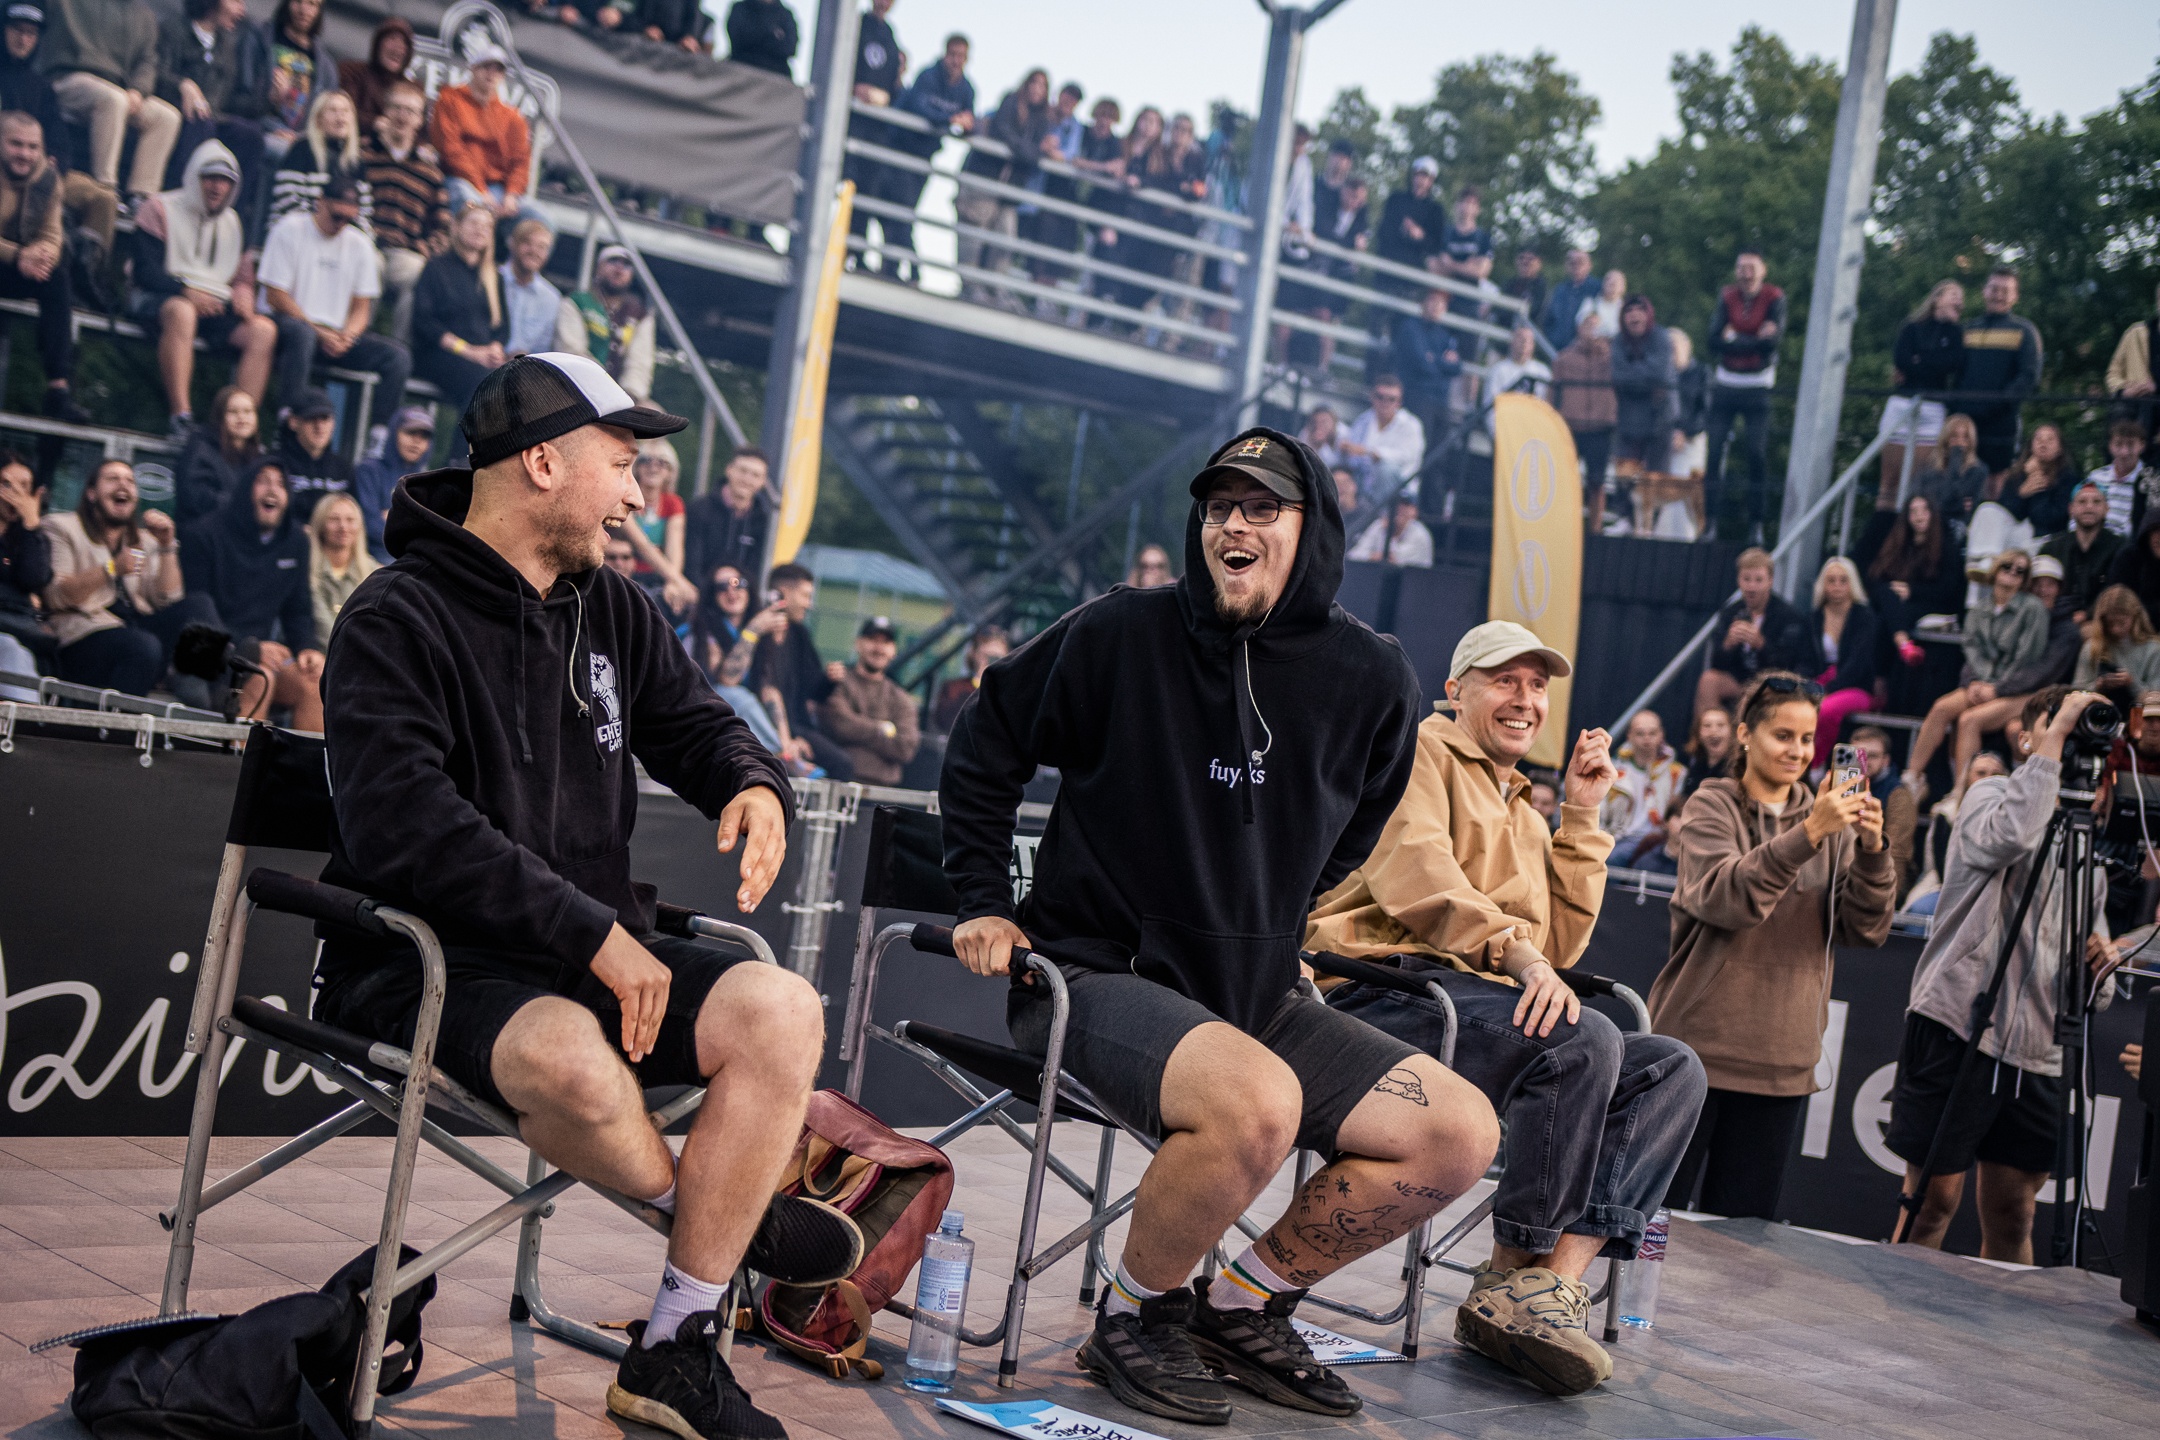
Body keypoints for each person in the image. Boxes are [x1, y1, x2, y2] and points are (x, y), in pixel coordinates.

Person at [312, 351, 841, 1440]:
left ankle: (675, 1348)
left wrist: (756, 785)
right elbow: (405, 826)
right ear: (543, 461)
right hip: (424, 959)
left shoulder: (616, 609)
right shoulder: (392, 615)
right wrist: (588, 929)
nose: (640, 497)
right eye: (624, 463)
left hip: (585, 955)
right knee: (569, 1057)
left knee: (781, 1008)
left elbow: (703, 726)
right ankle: (726, 1221)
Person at [943, 426, 1484, 1427]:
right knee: (1258, 1104)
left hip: (1254, 994)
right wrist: (982, 898)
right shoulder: (1122, 632)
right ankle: (1136, 1315)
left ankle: (1238, 1306)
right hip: (1095, 974)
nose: (1233, 525)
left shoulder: (1373, 675)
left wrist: (1269, 925)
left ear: (1311, 530)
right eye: (1218, 507)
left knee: (1456, 1132)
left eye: (1261, 507)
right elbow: (986, 741)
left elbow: (1357, 827)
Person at [1308, 621, 1703, 1397]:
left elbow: (1555, 944)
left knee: (1670, 1068)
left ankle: (1543, 1288)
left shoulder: (1523, 806)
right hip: (1376, 989)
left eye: (1538, 686)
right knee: (1580, 1038)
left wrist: (1581, 817)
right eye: (1505, 680)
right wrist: (1521, 959)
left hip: (1470, 1004)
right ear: (1455, 692)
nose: (1525, 699)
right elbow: (1422, 882)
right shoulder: (1416, 753)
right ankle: (1509, 1276)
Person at [1888, 685, 2120, 1263]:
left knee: (2015, 1212)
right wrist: (2055, 739)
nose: (2070, 739)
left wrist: (2101, 970)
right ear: (2025, 739)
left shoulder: (2084, 840)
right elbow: (2010, 837)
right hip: (1959, 1028)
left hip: (2037, 1051)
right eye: (2058, 727)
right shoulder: (1988, 794)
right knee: (1932, 1203)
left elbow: (2096, 979)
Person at [1656, 671, 1893, 1218]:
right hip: (1695, 1054)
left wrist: (1873, 850)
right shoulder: (1710, 805)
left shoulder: (1829, 818)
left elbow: (1865, 928)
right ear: (1745, 735)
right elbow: (1728, 899)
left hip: (1783, 1065)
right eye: (1782, 735)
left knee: (1740, 1248)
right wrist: (1808, 834)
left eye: (1807, 738)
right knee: (1652, 1229)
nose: (1798, 751)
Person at [132, 139, 271, 435]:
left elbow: (243, 277)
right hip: (160, 297)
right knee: (182, 312)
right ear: (195, 176)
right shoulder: (159, 208)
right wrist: (186, 291)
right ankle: (181, 416)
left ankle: (242, 427)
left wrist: (244, 294)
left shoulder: (235, 221)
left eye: (225, 180)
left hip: (215, 304)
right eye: (210, 178)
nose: (217, 187)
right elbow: (145, 271)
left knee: (263, 331)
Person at [259, 174, 412, 433]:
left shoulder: (359, 243)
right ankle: (287, 425)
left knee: (397, 357)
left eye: (348, 219)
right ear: (320, 202)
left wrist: (348, 336)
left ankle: (379, 437)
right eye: (336, 216)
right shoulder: (290, 228)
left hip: (335, 335)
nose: (341, 224)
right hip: (289, 326)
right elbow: (276, 295)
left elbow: (362, 307)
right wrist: (319, 331)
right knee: (303, 335)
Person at [183, 460, 321, 725]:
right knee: (261, 679)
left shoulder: (296, 541)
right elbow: (197, 614)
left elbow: (298, 609)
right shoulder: (205, 534)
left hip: (263, 654)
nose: (272, 490)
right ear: (245, 489)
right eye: (263, 481)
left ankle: (308, 755)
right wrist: (249, 649)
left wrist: (307, 648)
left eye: (281, 484)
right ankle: (240, 753)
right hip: (215, 657)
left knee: (314, 680)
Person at [1902, 551, 2048, 796]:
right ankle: (1911, 779)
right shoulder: (1979, 609)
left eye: (2020, 570)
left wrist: (1996, 688)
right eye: (2007, 566)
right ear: (1995, 570)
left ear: (2025, 579)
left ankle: (1962, 791)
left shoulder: (2033, 609)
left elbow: (2027, 661)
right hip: (1985, 683)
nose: (2012, 573)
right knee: (1941, 707)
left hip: (2020, 690)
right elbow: (1972, 652)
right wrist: (1975, 683)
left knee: (1969, 720)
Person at [41, 458, 179, 694]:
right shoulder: (61, 527)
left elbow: (168, 599)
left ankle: (197, 684)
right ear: (92, 493)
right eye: (113, 479)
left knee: (197, 607)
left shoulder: (144, 540)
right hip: (83, 636)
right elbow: (57, 596)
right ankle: (120, 719)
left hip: (136, 629)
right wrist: (112, 568)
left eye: (130, 481)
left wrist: (167, 546)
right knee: (143, 646)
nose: (123, 486)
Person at [1943, 555, 2080, 786]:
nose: (2042, 589)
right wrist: (1976, 682)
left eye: (2050, 584)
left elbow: (2041, 673)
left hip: (2042, 696)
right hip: (2010, 691)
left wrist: (1997, 689)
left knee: (1987, 723)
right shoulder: (2016, 613)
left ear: (2059, 588)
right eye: (2037, 583)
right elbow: (1983, 652)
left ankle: (2028, 789)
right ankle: (1953, 789)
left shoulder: (2066, 628)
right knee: (1957, 715)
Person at [41, 0, 179, 209]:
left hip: (118, 88)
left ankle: (141, 197)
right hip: (68, 78)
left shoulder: (144, 17)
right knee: (114, 100)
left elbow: (148, 61)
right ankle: (106, 190)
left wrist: (138, 90)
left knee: (166, 117)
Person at [0, 110, 87, 421]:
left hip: (17, 264)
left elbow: (52, 234)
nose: (25, 154)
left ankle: (58, 389)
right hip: (11, 258)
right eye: (16, 144)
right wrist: (18, 255)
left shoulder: (48, 178)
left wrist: (42, 254)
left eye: (33, 147)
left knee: (57, 279)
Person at [156, 0, 268, 234]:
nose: (242, 10)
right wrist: (182, 85)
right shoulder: (174, 30)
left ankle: (229, 219)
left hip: (213, 117)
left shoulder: (226, 45)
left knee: (250, 136)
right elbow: (157, 74)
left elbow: (232, 102)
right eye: (235, 1)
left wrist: (270, 99)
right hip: (179, 113)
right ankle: (179, 206)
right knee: (202, 124)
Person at [1701, 251, 1786, 542]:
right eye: (1741, 268)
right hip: (1726, 381)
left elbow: (1772, 344)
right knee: (1714, 452)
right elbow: (1713, 341)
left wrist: (1734, 338)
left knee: (1756, 454)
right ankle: (1710, 523)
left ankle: (1756, 525)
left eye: (1751, 267)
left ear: (1763, 270)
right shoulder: (1727, 296)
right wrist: (1753, 339)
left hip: (1758, 383)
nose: (1745, 273)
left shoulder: (1775, 297)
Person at [360, 79, 450, 346]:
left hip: (405, 253)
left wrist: (425, 248)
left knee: (421, 274)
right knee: (368, 264)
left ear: (419, 120)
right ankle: (357, 341)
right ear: (386, 111)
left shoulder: (430, 172)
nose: (402, 116)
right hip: (365, 244)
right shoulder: (363, 154)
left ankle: (399, 350)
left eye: (410, 111)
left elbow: (443, 228)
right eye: (397, 108)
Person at [745, 560, 851, 780]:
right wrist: (788, 739)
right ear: (784, 592)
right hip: (761, 725)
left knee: (842, 764)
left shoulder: (799, 633)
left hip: (797, 725)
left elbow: (813, 691)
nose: (809, 604)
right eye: (805, 596)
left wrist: (829, 679)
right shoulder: (756, 628)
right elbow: (761, 689)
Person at [430, 43, 543, 228]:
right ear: (473, 68)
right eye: (485, 67)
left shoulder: (513, 117)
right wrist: (481, 190)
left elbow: (521, 161)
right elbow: (451, 151)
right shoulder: (449, 100)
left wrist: (511, 194)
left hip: (499, 190)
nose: (491, 74)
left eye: (498, 70)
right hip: (459, 181)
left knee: (540, 219)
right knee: (472, 205)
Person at [412, 203, 509, 414]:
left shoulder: (495, 278)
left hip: (481, 358)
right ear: (456, 227)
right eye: (474, 223)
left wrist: (495, 348)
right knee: (484, 383)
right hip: (439, 354)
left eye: (487, 226)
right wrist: (468, 351)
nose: (480, 229)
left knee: (516, 386)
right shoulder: (436, 267)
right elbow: (424, 322)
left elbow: (502, 328)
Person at [1878, 281, 1966, 507]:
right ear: (1937, 298)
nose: (1959, 300)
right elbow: (1902, 359)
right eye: (1954, 294)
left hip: (1933, 407)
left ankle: (1907, 525)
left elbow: (1953, 364)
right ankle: (1883, 524)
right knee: (1889, 481)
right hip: (1902, 402)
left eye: (1961, 297)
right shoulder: (1911, 327)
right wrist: (1930, 363)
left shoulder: (1956, 333)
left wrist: (1920, 360)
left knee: (1916, 482)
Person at [1694, 547, 1809, 718]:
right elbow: (1715, 663)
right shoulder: (1730, 612)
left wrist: (1761, 644)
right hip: (1740, 679)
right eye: (1746, 579)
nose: (1752, 586)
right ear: (1738, 580)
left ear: (1770, 581)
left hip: (1771, 683)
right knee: (1708, 681)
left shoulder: (1788, 616)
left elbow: (1789, 665)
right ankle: (1711, 730)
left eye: (1758, 580)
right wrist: (1728, 644)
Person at [1862, 492, 1965, 667]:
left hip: (1930, 603)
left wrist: (1911, 591)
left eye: (1924, 510)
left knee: (1885, 617)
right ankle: (1904, 645)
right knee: (1886, 595)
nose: (1919, 516)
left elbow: (1948, 589)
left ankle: (1887, 667)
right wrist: (1896, 590)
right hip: (1896, 602)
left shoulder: (1946, 548)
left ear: (1932, 514)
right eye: (1913, 511)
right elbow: (1876, 577)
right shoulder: (1898, 545)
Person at [1959, 267, 2042, 475]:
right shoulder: (1968, 329)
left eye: (2005, 291)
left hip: (2001, 424)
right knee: (1959, 476)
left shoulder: (2025, 331)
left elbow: (2029, 376)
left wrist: (1998, 403)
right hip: (1964, 423)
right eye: (1994, 289)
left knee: (1997, 481)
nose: (1998, 295)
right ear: (1984, 291)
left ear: (2015, 296)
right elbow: (1953, 370)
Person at [816, 614, 919, 784]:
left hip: (883, 790)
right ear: (858, 643)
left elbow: (905, 748)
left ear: (893, 650)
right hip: (838, 783)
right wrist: (882, 729)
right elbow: (839, 726)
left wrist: (857, 730)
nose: (879, 648)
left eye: (886, 642)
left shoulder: (901, 699)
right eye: (872, 640)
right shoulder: (838, 683)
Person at [556, 244, 657, 402]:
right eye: (613, 261)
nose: (619, 269)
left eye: (627, 265)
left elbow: (640, 363)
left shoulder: (640, 316)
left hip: (624, 398)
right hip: (576, 389)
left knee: (657, 414)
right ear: (598, 268)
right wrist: (602, 388)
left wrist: (630, 395)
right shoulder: (576, 303)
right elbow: (571, 352)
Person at [1807, 555, 1880, 766]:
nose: (1837, 586)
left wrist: (1828, 688)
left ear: (1852, 584)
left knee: (1826, 710)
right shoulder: (1814, 618)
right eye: (1831, 580)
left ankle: (1817, 764)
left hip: (1856, 686)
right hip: (1821, 682)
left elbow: (1859, 663)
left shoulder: (1865, 617)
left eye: (1843, 580)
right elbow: (1806, 660)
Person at [1601, 706, 1690, 872]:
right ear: (1629, 736)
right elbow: (1601, 813)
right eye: (1640, 733)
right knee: (1604, 861)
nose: (1647, 739)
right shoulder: (1613, 770)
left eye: (1652, 733)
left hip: (1661, 838)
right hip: (1621, 837)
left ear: (1661, 735)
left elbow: (1678, 811)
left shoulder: (1676, 773)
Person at [267, 86, 367, 230]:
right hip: (300, 230)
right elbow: (288, 200)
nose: (341, 117)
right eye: (333, 110)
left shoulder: (357, 161)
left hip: (340, 235)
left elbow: (363, 212)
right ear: (318, 118)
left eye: (346, 111)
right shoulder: (302, 148)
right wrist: (325, 226)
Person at [622, 437, 696, 616]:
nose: (653, 467)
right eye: (646, 461)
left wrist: (673, 583)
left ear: (671, 472)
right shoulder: (625, 497)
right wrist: (679, 582)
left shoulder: (673, 503)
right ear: (636, 467)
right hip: (626, 572)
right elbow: (641, 545)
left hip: (659, 576)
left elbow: (675, 548)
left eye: (662, 463)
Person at [683, 447, 772, 597]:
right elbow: (691, 565)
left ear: (763, 481)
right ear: (729, 470)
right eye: (743, 471)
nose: (747, 479)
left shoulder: (763, 522)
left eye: (755, 475)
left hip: (739, 600)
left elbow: (756, 571)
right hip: (698, 596)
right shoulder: (699, 509)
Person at [1553, 313, 1615, 518]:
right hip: (1570, 426)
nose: (1592, 331)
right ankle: (1561, 521)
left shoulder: (1612, 359)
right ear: (1579, 328)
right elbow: (1553, 392)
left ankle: (1596, 527)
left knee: (1597, 482)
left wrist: (1606, 350)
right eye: (1588, 325)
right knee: (1564, 479)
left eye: (1597, 327)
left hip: (1600, 427)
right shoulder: (1564, 358)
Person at [352, 404, 431, 563]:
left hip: (413, 558)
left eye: (424, 436)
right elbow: (370, 525)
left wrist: (392, 518)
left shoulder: (428, 480)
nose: (416, 441)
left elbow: (432, 533)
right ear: (394, 433)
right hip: (373, 556)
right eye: (410, 432)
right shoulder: (368, 470)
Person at [258, 0, 334, 163]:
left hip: (301, 139)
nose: (304, 10)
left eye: (312, 4)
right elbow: (239, 97)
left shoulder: (326, 66)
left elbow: (325, 116)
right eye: (298, 1)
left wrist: (301, 138)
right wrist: (269, 98)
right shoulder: (260, 39)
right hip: (261, 129)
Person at [175, 383, 261, 524]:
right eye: (233, 412)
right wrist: (243, 506)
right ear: (220, 416)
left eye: (248, 411)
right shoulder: (199, 449)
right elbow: (195, 497)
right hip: (203, 530)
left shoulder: (258, 458)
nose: (241, 417)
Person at [0, 450, 49, 691]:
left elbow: (34, 579)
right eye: (7, 484)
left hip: (20, 630)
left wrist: (31, 525)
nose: (16, 494)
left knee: (18, 652)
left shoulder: (32, 539)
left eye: (24, 487)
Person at [1610, 295, 1676, 477]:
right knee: (1625, 477)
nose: (1634, 315)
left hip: (1660, 416)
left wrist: (1632, 371)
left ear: (1648, 314)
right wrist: (1644, 373)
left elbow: (1660, 374)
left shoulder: (1661, 337)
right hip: (1629, 417)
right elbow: (1618, 376)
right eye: (1629, 311)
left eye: (1640, 310)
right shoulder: (1618, 341)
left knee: (1656, 478)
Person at [2042, 482, 2127, 618]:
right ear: (2071, 509)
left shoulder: (2120, 548)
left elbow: (2120, 592)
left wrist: (2088, 614)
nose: (2089, 507)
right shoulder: (2052, 548)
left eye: (2096, 502)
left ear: (2106, 509)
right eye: (2082, 502)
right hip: (2057, 618)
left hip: (2104, 620)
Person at [268, 386, 353, 521]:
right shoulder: (274, 464)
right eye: (311, 418)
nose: (319, 427)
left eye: (325, 418)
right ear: (293, 422)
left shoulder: (344, 469)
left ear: (333, 423)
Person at [1388, 286, 1461, 435]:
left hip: (1439, 399)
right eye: (1433, 300)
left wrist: (1433, 359)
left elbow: (1457, 368)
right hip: (1416, 394)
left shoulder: (1444, 334)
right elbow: (1422, 364)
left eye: (1441, 303)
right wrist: (1443, 363)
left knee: (1443, 441)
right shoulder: (1410, 327)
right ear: (1423, 303)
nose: (1436, 306)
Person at [307, 488, 374, 642]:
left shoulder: (374, 571)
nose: (343, 526)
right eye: (334, 519)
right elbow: (321, 623)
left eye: (350, 520)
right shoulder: (306, 569)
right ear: (320, 524)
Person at [2073, 583, 2160, 698]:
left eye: (2121, 623)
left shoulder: (2153, 650)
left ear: (2135, 617)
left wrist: (2131, 683)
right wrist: (2098, 685)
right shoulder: (2092, 648)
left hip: (2139, 707)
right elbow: (2076, 692)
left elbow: (2156, 697)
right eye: (2110, 623)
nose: (2115, 629)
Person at [1338, 375, 1425, 490]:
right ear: (1372, 397)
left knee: (1386, 469)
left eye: (1391, 399)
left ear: (1399, 402)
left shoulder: (1411, 425)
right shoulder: (1363, 420)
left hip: (1398, 490)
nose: (1385, 402)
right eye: (1380, 397)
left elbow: (1405, 457)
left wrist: (1371, 452)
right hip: (1365, 484)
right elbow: (1353, 455)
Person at [2000, 423, 2079, 541]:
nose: (2043, 443)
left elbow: (2046, 520)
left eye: (2050, 440)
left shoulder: (2068, 480)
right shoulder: (2016, 477)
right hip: (2014, 540)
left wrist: (2037, 478)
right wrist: (2021, 495)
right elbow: (2004, 514)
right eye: (2038, 439)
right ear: (2031, 446)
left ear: (2060, 449)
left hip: (2050, 540)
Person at [1373, 156, 1441, 296]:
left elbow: (1436, 246)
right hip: (1387, 275)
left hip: (1413, 281)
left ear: (1432, 180)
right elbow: (1383, 231)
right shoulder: (1396, 200)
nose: (1421, 180)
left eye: (1425, 176)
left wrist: (1420, 236)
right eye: (1418, 174)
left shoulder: (1435, 211)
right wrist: (1403, 230)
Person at [1910, 411, 1990, 528]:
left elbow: (1954, 503)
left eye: (1965, 437)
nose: (1959, 442)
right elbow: (1917, 499)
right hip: (1928, 525)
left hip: (1959, 526)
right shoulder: (1928, 468)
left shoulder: (1978, 471)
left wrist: (1955, 458)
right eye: (1954, 436)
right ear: (1945, 438)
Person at [335, 14, 411, 132]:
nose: (398, 48)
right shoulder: (352, 72)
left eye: (404, 43)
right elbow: (341, 111)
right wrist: (373, 122)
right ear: (378, 44)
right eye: (392, 39)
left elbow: (419, 133)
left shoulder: (411, 90)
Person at [2087, 419, 2159, 539]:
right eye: (2118, 444)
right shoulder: (2096, 477)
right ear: (2110, 446)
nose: (2124, 452)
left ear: (2141, 446)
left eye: (2130, 445)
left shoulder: (2151, 482)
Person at [931, 623, 1007, 733]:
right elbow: (947, 723)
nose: (991, 662)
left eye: (996, 658)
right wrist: (980, 684)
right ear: (974, 654)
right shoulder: (954, 689)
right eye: (986, 656)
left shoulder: (1009, 694)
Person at [500, 217, 559, 357]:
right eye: (527, 243)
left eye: (542, 247)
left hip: (526, 367)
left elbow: (544, 351)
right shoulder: (490, 280)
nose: (534, 251)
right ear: (512, 243)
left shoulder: (552, 298)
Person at [691, 560, 751, 681]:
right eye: (721, 587)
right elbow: (728, 680)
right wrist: (754, 631)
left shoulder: (765, 623)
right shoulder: (697, 630)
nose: (731, 592)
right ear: (711, 595)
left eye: (737, 583)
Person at [1484, 325, 1553, 425]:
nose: (1524, 343)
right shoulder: (1499, 370)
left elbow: (1548, 407)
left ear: (1533, 345)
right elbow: (1490, 406)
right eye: (1520, 338)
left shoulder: (1542, 372)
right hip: (1506, 425)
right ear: (1512, 342)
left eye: (1528, 340)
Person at [1346, 490, 1432, 567]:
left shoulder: (1419, 534)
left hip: (1413, 578)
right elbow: (1353, 555)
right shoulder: (1379, 525)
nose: (1400, 508)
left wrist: (1391, 534)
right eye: (1396, 504)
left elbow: (1396, 562)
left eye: (1406, 505)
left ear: (1415, 511)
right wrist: (1372, 556)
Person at [1539, 247, 1598, 354]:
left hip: (1585, 353)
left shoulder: (1598, 290)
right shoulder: (1559, 290)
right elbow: (1548, 320)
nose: (1576, 265)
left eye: (1580, 262)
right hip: (1555, 351)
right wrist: (1552, 339)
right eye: (1572, 262)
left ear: (1589, 265)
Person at [1668, 329, 1708, 478]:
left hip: (1692, 441)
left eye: (1674, 346)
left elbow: (1707, 410)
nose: (1670, 351)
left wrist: (1685, 433)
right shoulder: (1660, 377)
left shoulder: (1702, 373)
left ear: (1687, 346)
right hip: (1663, 441)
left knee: (1687, 486)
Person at [1676, 704, 1733, 808]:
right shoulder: (1694, 766)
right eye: (1707, 726)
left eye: (1720, 725)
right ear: (1698, 733)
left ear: (1732, 732)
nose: (1713, 731)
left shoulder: (1739, 769)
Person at [724, 0, 796, 76]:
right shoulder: (740, 9)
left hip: (777, 75)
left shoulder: (786, 15)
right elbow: (738, 40)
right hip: (742, 70)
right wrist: (773, 35)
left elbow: (790, 49)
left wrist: (758, 35)